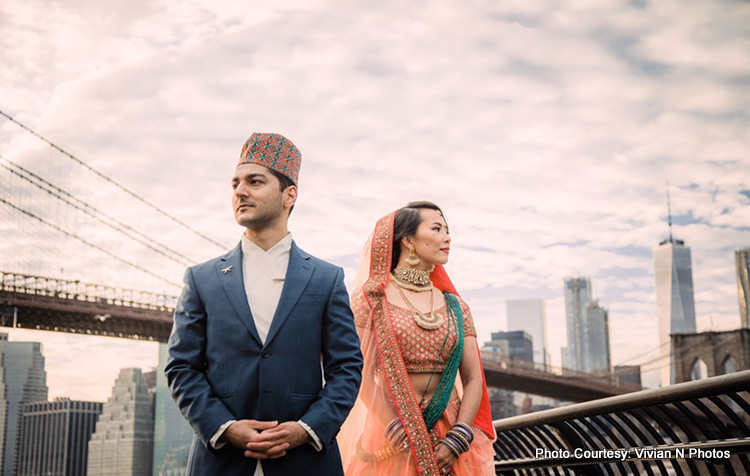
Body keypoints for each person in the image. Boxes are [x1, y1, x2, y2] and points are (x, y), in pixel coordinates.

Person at [165, 132, 363, 476]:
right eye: (235, 184)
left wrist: (307, 429)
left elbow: (346, 368)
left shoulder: (326, 279)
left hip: (307, 463)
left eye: (255, 182)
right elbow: (181, 367)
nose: (240, 191)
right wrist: (225, 428)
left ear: (290, 195)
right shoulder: (201, 279)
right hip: (220, 463)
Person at [338, 201, 496, 476]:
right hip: (391, 435)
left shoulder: (457, 307)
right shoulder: (372, 300)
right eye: (437, 229)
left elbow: (473, 379)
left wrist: (459, 438)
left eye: (447, 230)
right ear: (408, 239)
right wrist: (397, 431)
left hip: (452, 437)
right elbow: (358, 373)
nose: (447, 237)